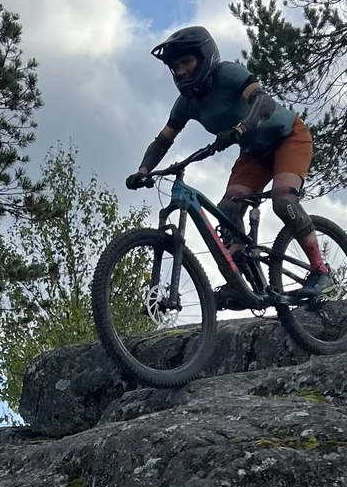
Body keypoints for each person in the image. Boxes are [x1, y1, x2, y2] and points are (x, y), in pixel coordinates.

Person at [136, 24, 330, 297]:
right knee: (227, 210)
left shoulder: (228, 74)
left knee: (284, 200)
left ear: (205, 57)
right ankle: (242, 284)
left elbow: (264, 103)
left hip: (289, 137)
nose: (182, 71)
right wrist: (144, 170)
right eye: (177, 66)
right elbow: (163, 140)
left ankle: (321, 271)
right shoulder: (186, 104)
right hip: (253, 153)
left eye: (187, 62)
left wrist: (241, 128)